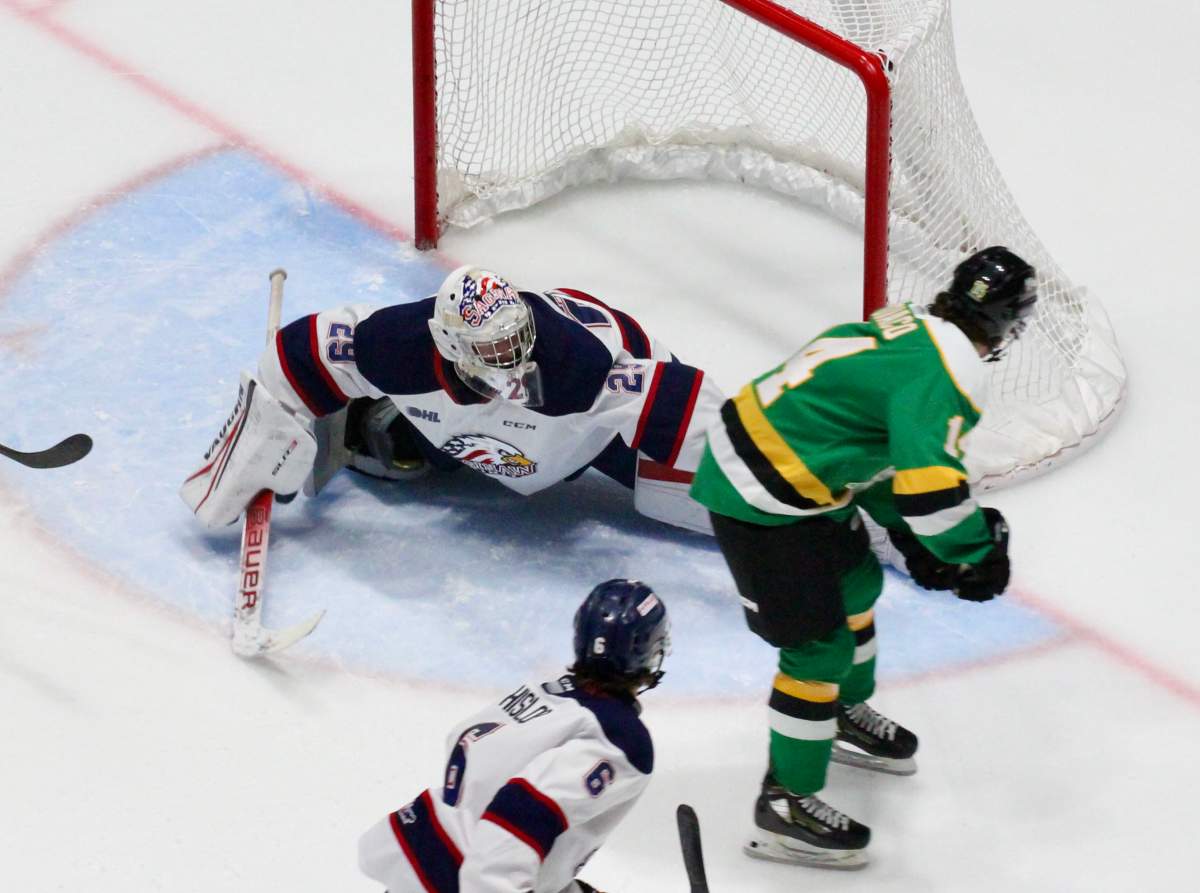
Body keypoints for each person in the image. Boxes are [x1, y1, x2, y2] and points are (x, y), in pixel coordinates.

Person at [688, 246, 1038, 869]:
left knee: (858, 585)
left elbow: (863, 442)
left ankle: (840, 712)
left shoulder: (910, 328)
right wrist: (974, 553)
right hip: (760, 492)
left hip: (796, 471)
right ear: (1010, 324)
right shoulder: (949, 370)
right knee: (816, 648)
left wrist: (902, 533)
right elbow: (931, 490)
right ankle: (787, 803)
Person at [180, 265, 722, 534]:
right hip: (486, 427)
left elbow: (676, 402)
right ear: (449, 343)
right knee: (405, 447)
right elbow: (301, 351)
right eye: (494, 347)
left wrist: (759, 462)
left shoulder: (571, 368)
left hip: (591, 434)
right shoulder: (397, 346)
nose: (513, 357)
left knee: (690, 500)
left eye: (515, 339)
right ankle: (384, 418)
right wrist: (264, 437)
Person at [357, 578, 670, 893]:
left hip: (421, 856)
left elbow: (475, 774)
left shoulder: (547, 694)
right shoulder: (621, 740)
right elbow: (514, 822)